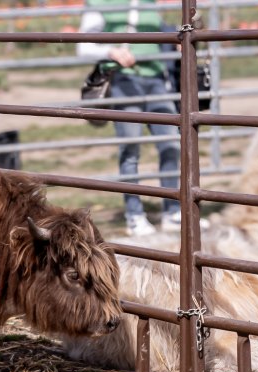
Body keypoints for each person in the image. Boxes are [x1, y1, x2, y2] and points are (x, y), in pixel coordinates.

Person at [78, 0, 183, 236]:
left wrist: (174, 42)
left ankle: (172, 211)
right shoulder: (99, 3)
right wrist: (111, 51)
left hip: (156, 79)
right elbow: (82, 46)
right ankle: (134, 216)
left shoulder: (149, 3)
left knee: (171, 145)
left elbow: (156, 33)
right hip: (124, 80)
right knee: (131, 150)